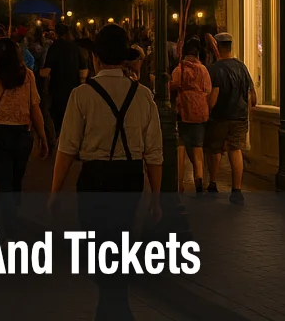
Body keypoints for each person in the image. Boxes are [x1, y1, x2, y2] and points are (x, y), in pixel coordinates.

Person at [49, 24, 163, 321]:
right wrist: (156, 198)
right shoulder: (143, 96)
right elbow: (154, 154)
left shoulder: (82, 95)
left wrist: (54, 192)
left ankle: (112, 307)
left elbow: (67, 147)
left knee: (96, 246)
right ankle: (117, 305)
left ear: (96, 58)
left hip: (95, 178)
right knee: (122, 241)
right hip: (129, 177)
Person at [0, 37, 47, 238]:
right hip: (23, 136)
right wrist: (42, 136)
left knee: (3, 184)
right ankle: (12, 218)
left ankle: (10, 227)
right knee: (16, 180)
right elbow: (34, 108)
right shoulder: (28, 76)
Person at [204, 33, 256, 203]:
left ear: (216, 48)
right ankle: (237, 189)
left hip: (220, 116)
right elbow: (253, 98)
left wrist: (207, 110)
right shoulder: (242, 67)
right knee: (235, 150)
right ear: (230, 47)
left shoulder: (214, 69)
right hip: (240, 116)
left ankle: (212, 182)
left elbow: (213, 98)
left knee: (215, 149)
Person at [170, 37, 213, 196]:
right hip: (200, 113)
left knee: (180, 147)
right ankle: (199, 179)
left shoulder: (179, 69)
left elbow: (172, 86)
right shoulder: (203, 70)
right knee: (197, 148)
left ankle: (179, 183)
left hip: (183, 112)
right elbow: (208, 90)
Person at [40, 23, 86, 145]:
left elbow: (47, 70)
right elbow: (83, 69)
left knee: (57, 115)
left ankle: (60, 140)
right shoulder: (75, 47)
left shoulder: (55, 47)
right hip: (74, 86)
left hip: (58, 87)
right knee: (72, 115)